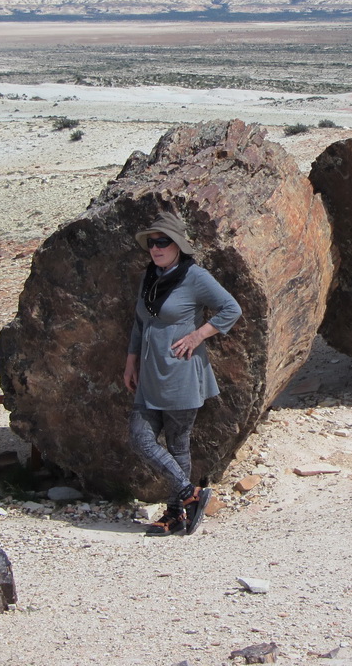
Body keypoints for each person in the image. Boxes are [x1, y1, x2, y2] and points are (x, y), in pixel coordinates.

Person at [123, 210, 242, 536]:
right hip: (148, 374)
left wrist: (197, 335)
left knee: (178, 445)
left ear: (178, 245)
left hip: (181, 374)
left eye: (163, 242)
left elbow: (231, 308)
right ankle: (190, 494)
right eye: (151, 243)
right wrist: (131, 359)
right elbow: (139, 322)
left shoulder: (195, 277)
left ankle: (176, 515)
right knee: (140, 437)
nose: (156, 248)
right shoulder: (150, 277)